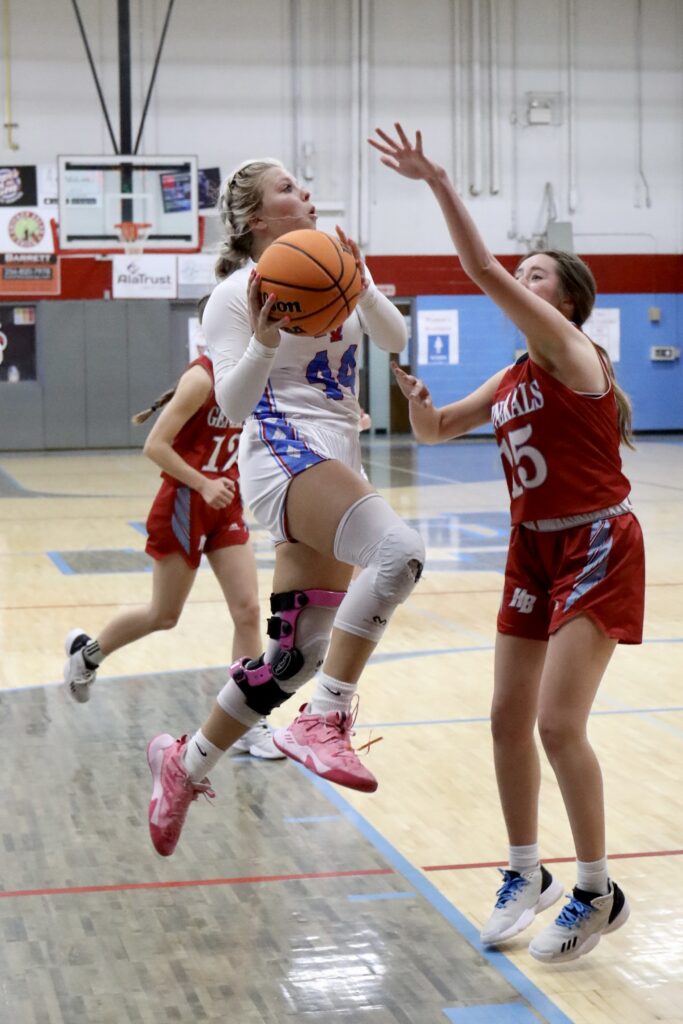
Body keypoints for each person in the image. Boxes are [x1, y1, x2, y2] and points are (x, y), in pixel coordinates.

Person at [369, 124, 644, 964]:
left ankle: (597, 889)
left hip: (596, 540)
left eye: (535, 275)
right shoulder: (517, 374)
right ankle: (526, 872)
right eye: (521, 272)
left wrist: (439, 181)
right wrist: (414, 401)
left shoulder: (568, 352)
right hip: (531, 547)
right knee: (503, 718)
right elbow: (441, 429)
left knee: (559, 726)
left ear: (560, 302)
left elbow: (481, 269)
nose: (517, 280)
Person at [146, 156, 423, 857]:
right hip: (279, 451)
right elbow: (231, 408)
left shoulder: (333, 266)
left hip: (332, 453)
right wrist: (266, 344)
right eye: (286, 188)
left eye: (303, 184)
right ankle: (325, 719)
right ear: (255, 219)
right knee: (399, 552)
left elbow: (395, 341)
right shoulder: (235, 295)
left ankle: (184, 764)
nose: (305, 192)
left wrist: (360, 283)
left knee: (295, 656)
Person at [63, 347, 284, 760]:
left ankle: (247, 722)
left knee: (249, 611)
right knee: (164, 615)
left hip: (224, 504)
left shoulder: (255, 372)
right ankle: (88, 654)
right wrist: (203, 484)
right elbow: (155, 446)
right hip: (185, 501)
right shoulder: (202, 378)